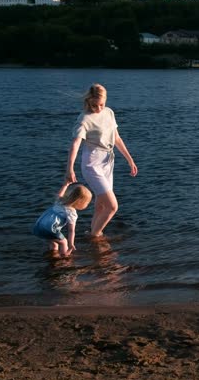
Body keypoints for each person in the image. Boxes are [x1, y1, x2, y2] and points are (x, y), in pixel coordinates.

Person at [65, 83, 137, 237]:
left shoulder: (109, 112)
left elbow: (116, 138)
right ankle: (96, 236)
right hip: (92, 164)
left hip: (107, 162)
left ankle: (93, 231)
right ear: (88, 101)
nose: (98, 109)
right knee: (112, 206)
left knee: (101, 206)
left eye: (101, 105)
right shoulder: (84, 119)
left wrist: (130, 160)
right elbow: (75, 144)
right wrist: (69, 168)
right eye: (94, 105)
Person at [32, 182, 93, 257]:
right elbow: (71, 230)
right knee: (64, 242)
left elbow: (59, 194)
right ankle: (65, 257)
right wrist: (71, 244)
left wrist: (66, 185)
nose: (87, 205)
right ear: (79, 202)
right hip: (49, 229)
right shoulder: (71, 212)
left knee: (54, 242)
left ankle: (53, 254)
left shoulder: (60, 201)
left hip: (39, 225)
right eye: (86, 203)